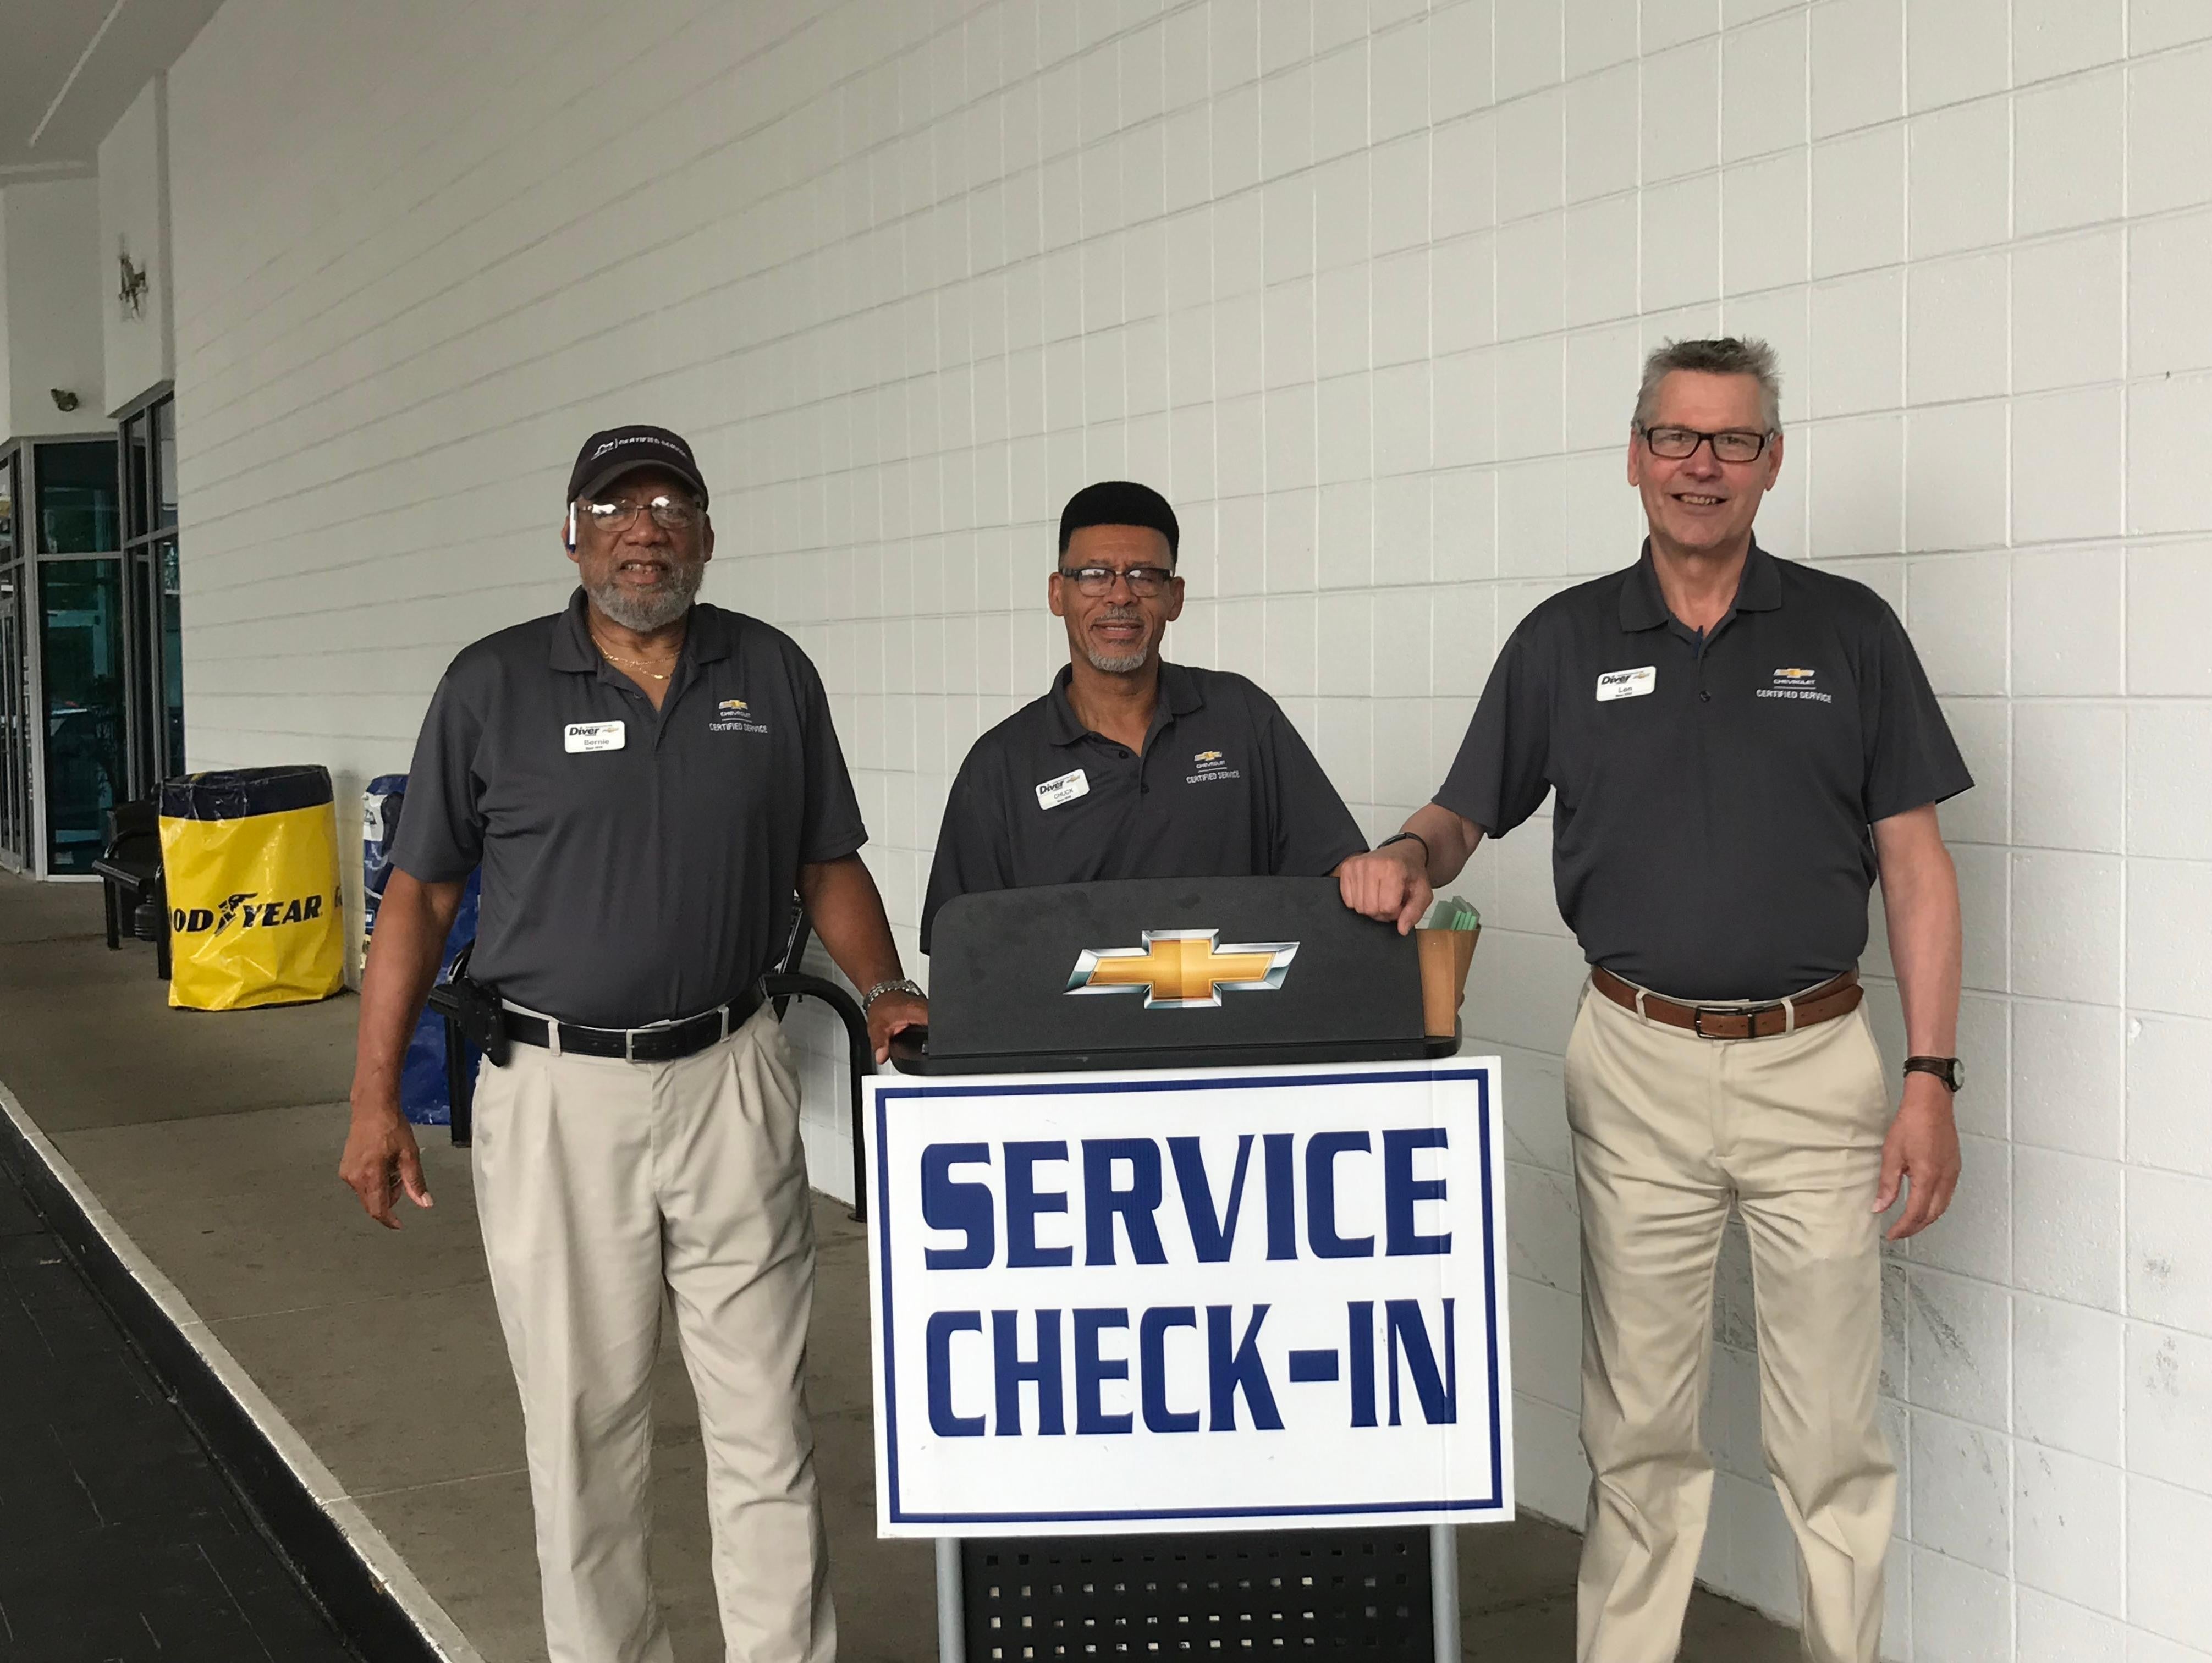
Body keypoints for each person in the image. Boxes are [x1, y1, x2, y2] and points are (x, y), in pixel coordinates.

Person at [1339, 339, 1969, 1663]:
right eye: (1675, 439)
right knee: (1637, 1433)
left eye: (1730, 442)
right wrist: (1404, 854)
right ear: (1633, 455)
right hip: (1632, 1062)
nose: (1700, 467)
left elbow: (1914, 865)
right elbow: (1463, 815)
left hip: (1817, 1067)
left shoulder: (1846, 633)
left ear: (1769, 462)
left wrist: (1928, 1078)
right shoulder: (1565, 638)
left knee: (1829, 1440)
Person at [338, 424, 925, 1663]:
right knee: (582, 1422)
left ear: (705, 535)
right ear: (572, 532)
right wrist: (372, 1097)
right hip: (556, 1095)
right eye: (614, 506)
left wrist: (882, 987)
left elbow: (828, 860)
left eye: (669, 504)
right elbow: (421, 897)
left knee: (766, 1417)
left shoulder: (769, 673)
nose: (643, 528)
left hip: (732, 1076)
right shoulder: (492, 685)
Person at [922, 480, 1366, 946]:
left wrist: (1389, 868)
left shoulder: (1242, 718)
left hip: (1234, 1017)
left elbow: (1334, 877)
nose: (1120, 596)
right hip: (1065, 1021)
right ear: (1058, 594)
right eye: (1095, 574)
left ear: (1174, 597)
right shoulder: (1001, 764)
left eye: (1143, 576)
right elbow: (964, 951)